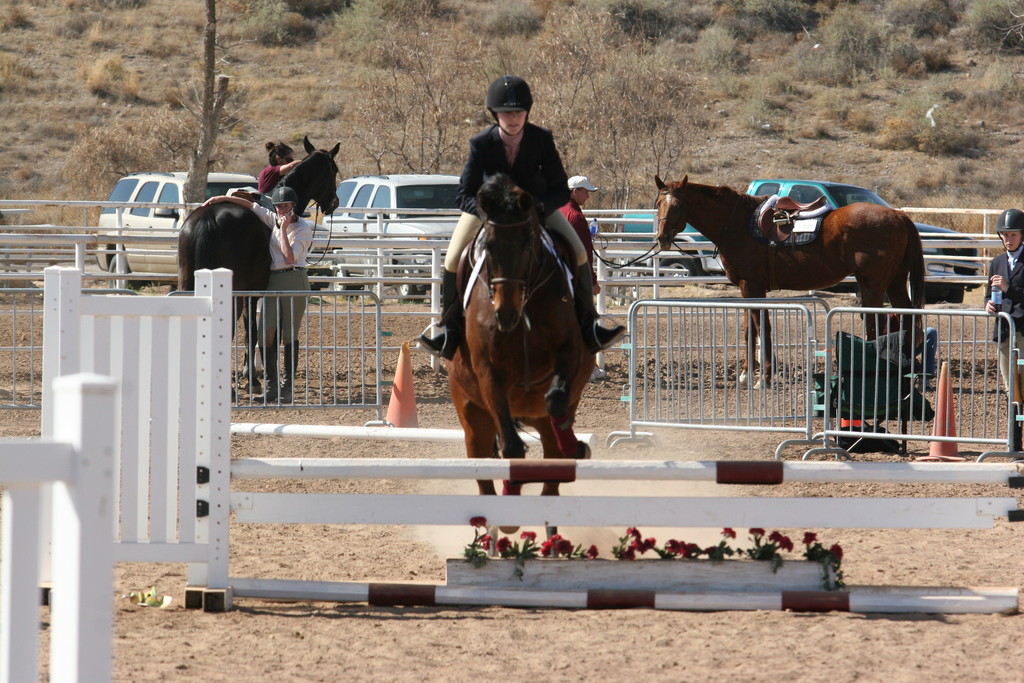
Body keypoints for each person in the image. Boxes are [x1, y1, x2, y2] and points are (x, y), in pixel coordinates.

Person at [418, 75, 625, 360]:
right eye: (506, 113)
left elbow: (559, 187)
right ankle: (448, 331)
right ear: (496, 114)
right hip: (490, 214)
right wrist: (489, 212)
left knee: (577, 251)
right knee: (453, 258)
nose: (513, 118)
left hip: (536, 211)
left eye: (518, 112)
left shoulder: (541, 139)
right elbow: (463, 193)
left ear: (527, 113)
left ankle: (590, 326)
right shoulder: (481, 143)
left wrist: (538, 207)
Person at [203, 185, 314, 402]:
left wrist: (281, 230)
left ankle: (288, 387)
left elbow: (289, 257)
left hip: (294, 279)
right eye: (278, 207)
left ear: (294, 207)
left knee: (289, 334)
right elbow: (252, 206)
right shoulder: (273, 219)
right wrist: (221, 198)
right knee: (266, 333)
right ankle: (272, 387)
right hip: (274, 280)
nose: (281, 210)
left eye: (285, 206)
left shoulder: (303, 229)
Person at [560, 175, 606, 381]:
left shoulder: (559, 211)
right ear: (574, 191)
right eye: (584, 191)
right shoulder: (576, 217)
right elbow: (584, 253)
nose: (587, 195)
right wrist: (593, 280)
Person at [986, 208, 1024, 395]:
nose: (1008, 239)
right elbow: (988, 293)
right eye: (1005, 235)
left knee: (1022, 383)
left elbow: (1010, 290)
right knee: (1010, 386)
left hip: (1022, 331)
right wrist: (988, 304)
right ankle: (1013, 424)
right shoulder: (997, 262)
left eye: (1013, 235)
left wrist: (1009, 289)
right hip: (1004, 330)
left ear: (1021, 235)